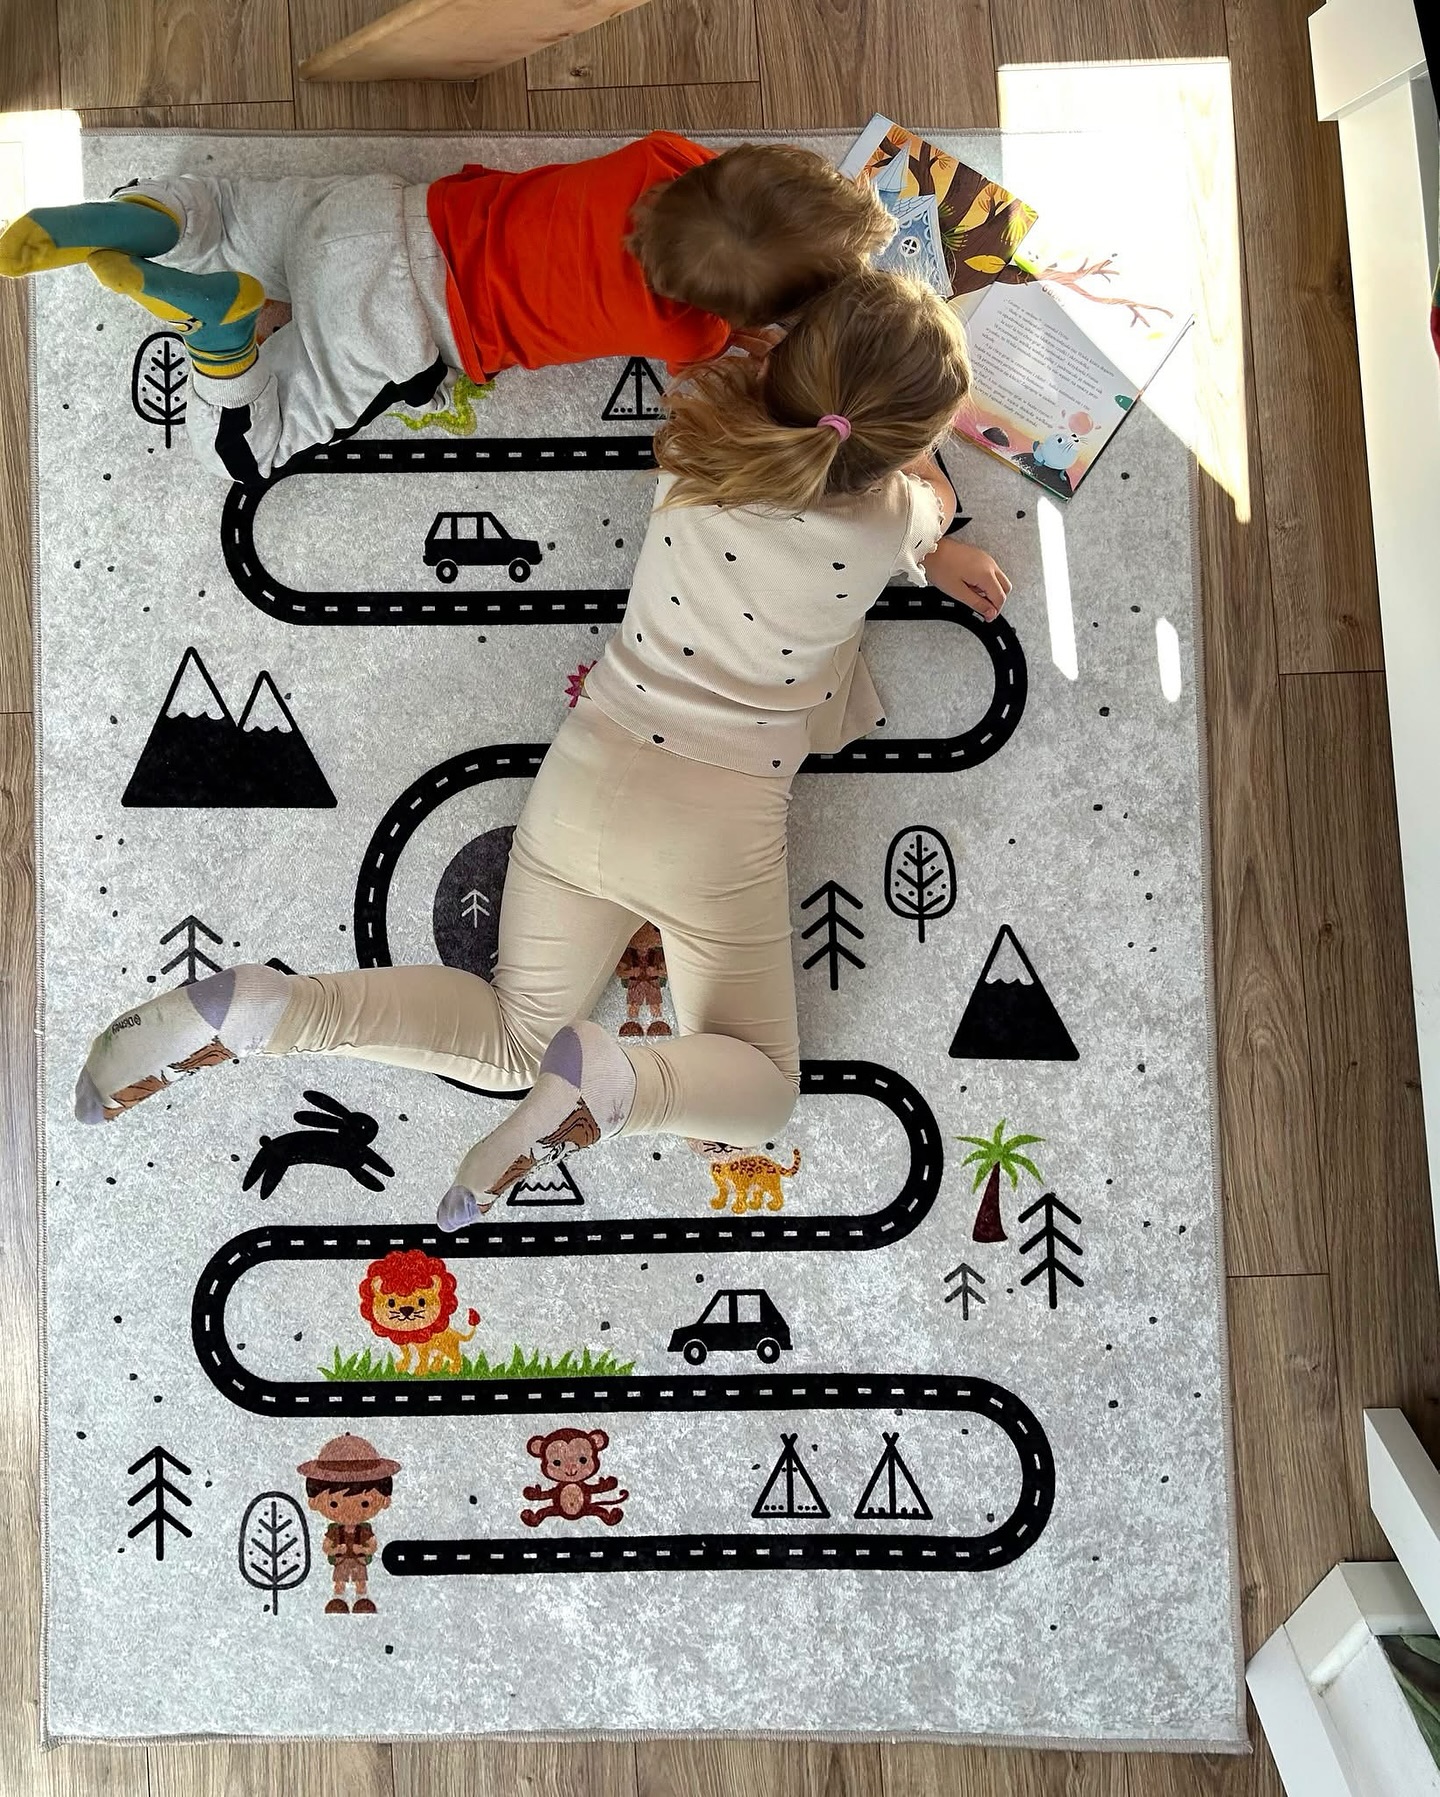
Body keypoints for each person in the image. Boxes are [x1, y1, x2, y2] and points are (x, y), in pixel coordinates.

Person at [72, 268, 1012, 1230]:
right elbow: (930, 499)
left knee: (514, 1034)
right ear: (897, 448)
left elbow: (776, 372)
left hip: (593, 770)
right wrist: (936, 533)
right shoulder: (892, 518)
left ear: (788, 356)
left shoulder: (703, 426)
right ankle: (620, 1086)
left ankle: (280, 1011)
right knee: (763, 1088)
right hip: (720, 820)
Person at [0, 135, 892, 481]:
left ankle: (144, 218)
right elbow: (724, 365)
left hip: (379, 213)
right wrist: (762, 331)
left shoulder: (659, 156)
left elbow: (730, 195)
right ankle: (223, 335)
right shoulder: (687, 326)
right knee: (247, 451)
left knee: (228, 210)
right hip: (405, 323)